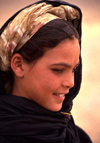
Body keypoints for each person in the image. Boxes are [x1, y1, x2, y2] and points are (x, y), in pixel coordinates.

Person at [0, 0, 92, 143]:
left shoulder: (75, 135)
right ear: (18, 65)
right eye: (58, 70)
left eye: (74, 69)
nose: (71, 83)